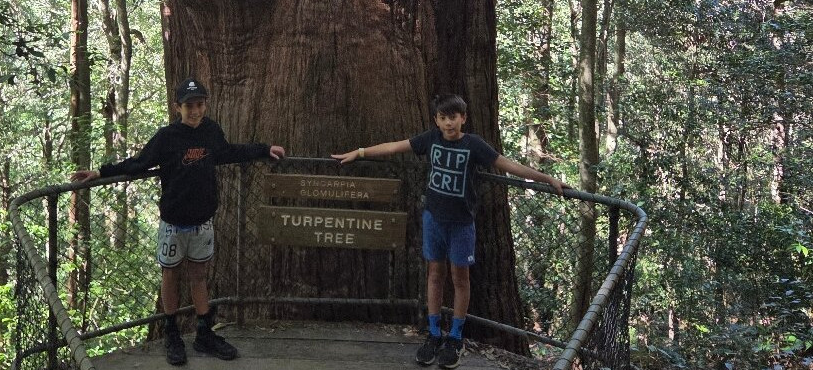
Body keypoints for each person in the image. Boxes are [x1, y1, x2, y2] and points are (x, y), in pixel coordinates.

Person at [332, 94, 567, 369]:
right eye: (443, 118)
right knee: (434, 274)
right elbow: (395, 147)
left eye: (453, 117)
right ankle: (433, 333)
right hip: (434, 219)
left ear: (463, 118)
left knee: (460, 278)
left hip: (462, 224)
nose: (448, 123)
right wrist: (359, 153)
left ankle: (455, 336)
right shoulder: (431, 139)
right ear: (436, 120)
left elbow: (506, 164)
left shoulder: (473, 145)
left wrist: (545, 178)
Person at [71, 78, 285, 366]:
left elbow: (229, 152)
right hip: (173, 223)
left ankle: (203, 332)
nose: (195, 111)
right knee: (170, 274)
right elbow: (139, 163)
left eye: (199, 104)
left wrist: (264, 149)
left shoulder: (211, 132)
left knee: (199, 276)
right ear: (178, 107)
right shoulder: (167, 137)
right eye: (189, 106)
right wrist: (101, 171)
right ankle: (171, 331)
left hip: (202, 222)